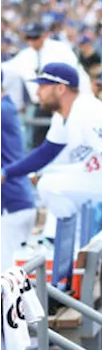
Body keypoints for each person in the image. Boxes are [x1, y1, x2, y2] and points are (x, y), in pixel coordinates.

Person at [0, 62, 102, 228]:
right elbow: (45, 154)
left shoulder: (87, 111)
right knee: (46, 174)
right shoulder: (65, 112)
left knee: (48, 185)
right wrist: (6, 173)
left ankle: (73, 241)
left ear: (60, 89)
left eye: (43, 86)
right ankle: (71, 238)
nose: (37, 92)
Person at [0, 82, 35, 270]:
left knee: (6, 280)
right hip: (18, 201)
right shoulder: (7, 105)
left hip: (11, 207)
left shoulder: (2, 109)